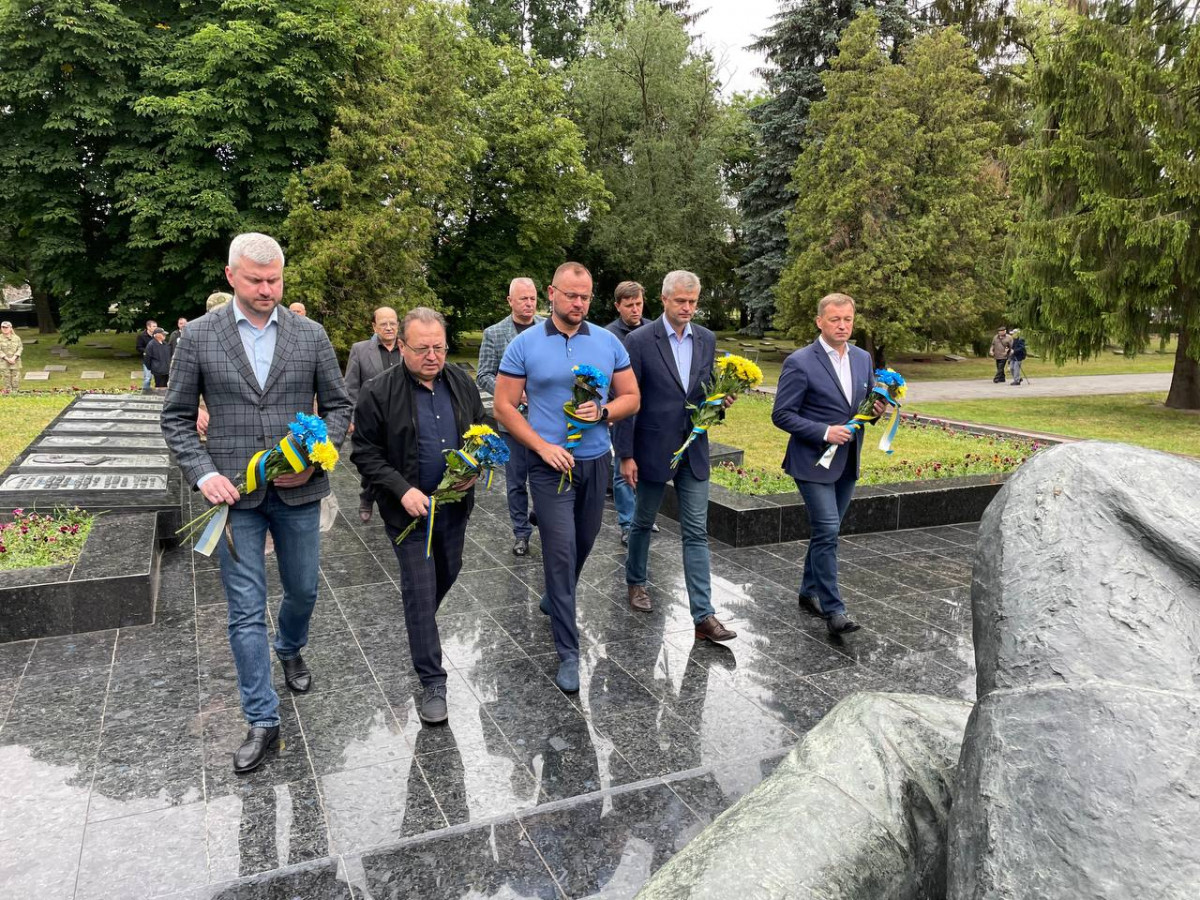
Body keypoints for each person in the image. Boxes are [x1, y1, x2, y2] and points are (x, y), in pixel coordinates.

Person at [161, 232, 351, 774]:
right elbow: (176, 417)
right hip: (235, 497)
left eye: (274, 280)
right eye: (255, 280)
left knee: (304, 588)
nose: (266, 289)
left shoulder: (310, 335)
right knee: (245, 610)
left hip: (299, 491)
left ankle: (289, 646)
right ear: (231, 277)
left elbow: (339, 407)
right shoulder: (199, 336)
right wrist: (203, 474)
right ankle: (262, 719)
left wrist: (316, 461)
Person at [493, 262, 640, 692]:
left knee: (584, 543)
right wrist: (541, 447)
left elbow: (632, 396)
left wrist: (605, 411)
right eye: (571, 295)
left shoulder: (608, 342)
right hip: (548, 466)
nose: (578, 303)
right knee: (559, 553)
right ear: (551, 293)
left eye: (585, 296)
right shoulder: (524, 344)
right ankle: (569, 653)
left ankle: (555, 597)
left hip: (595, 462)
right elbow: (503, 406)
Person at [351, 307, 486, 725]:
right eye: (423, 348)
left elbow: (481, 430)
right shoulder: (378, 391)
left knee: (447, 572)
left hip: (453, 507)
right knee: (421, 589)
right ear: (402, 346)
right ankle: (432, 681)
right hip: (408, 514)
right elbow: (365, 453)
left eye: (439, 347)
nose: (432, 356)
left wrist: (475, 466)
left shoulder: (461, 381)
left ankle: (417, 617)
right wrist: (402, 489)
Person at [614, 271, 738, 642]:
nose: (687, 308)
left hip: (694, 449)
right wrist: (626, 455)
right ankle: (636, 581)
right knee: (643, 522)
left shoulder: (706, 339)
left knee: (696, 531)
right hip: (652, 449)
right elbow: (627, 400)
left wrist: (720, 402)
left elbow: (704, 394)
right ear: (664, 299)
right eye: (681, 301)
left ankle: (703, 616)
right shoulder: (639, 340)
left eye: (693, 302)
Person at [771, 293, 886, 635]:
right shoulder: (800, 362)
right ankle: (834, 610)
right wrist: (824, 431)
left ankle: (809, 590)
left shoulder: (863, 358)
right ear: (819, 321)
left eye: (848, 319)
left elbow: (862, 408)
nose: (842, 325)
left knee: (827, 531)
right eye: (835, 319)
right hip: (811, 462)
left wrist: (875, 412)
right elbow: (781, 414)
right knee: (827, 529)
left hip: (846, 461)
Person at [477, 278, 544, 556]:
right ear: (510, 301)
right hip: (512, 421)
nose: (529, 304)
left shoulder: (548, 328)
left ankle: (542, 516)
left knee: (546, 476)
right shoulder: (494, 334)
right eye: (523, 299)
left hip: (545, 420)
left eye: (532, 298)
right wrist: (511, 393)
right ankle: (521, 533)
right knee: (516, 481)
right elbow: (483, 374)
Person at [605, 281, 656, 545]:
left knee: (648, 465)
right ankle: (627, 522)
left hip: (650, 411)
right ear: (618, 306)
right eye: (629, 305)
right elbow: (603, 375)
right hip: (622, 410)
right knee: (622, 466)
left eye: (639, 304)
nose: (635, 309)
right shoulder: (609, 335)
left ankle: (644, 516)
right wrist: (609, 410)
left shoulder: (653, 330)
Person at [345, 307, 404, 522]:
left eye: (392, 323)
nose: (389, 328)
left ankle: (399, 499)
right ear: (374, 326)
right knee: (372, 460)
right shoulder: (360, 350)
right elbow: (351, 387)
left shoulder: (407, 348)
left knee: (400, 461)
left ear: (398, 325)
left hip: (401, 417)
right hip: (371, 419)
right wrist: (351, 417)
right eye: (383, 324)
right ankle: (367, 497)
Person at [135, 319, 158, 391]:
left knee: (159, 377)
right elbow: (138, 347)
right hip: (147, 360)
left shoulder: (157, 335)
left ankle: (159, 392)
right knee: (148, 378)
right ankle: (145, 392)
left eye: (156, 326)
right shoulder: (141, 336)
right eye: (154, 326)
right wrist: (147, 351)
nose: (156, 328)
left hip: (157, 360)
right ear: (148, 327)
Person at [0, 320, 21, 391]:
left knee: (16, 378)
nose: (4, 329)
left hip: (15, 362)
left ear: (10, 328)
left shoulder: (16, 338)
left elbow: (20, 348)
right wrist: (7, 359)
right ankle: (8, 393)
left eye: (6, 327)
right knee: (6, 379)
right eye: (3, 327)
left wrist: (14, 357)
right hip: (4, 362)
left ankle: (15, 393)